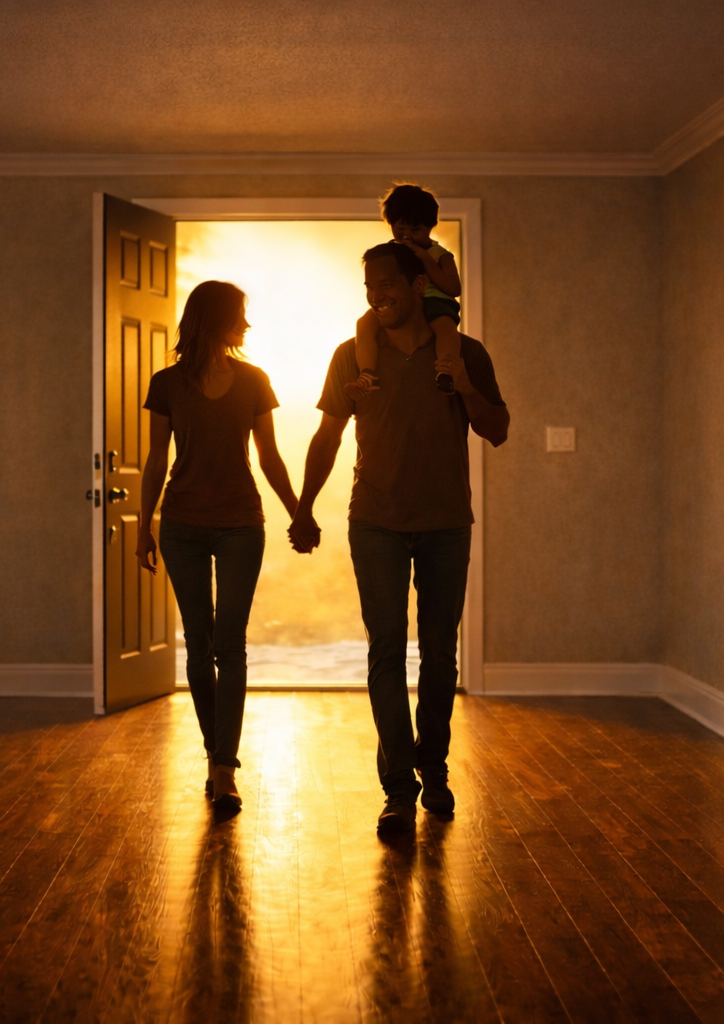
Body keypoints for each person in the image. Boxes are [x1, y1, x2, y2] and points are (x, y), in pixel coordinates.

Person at [290, 242, 509, 834]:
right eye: (368, 288)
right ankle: (398, 790)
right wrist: (304, 507)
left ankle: (434, 771)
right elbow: (328, 437)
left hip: (445, 524)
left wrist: (463, 384)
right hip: (376, 522)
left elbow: (497, 430)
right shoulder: (351, 358)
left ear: (419, 286)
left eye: (386, 284)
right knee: (386, 651)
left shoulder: (463, 352)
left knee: (439, 654)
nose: (376, 296)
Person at [138, 281, 299, 813]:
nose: (247, 326)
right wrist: (144, 526)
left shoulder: (254, 381)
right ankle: (217, 755)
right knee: (199, 642)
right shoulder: (166, 385)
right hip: (182, 525)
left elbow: (270, 457)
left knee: (229, 647)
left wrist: (299, 510)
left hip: (239, 525)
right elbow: (157, 460)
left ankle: (223, 769)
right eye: (240, 316)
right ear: (216, 319)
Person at [350, 183, 463, 397]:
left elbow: (453, 287)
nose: (406, 236)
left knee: (446, 329)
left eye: (415, 230)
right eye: (400, 229)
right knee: (364, 323)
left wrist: (425, 259)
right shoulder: (393, 251)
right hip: (402, 305)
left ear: (430, 226)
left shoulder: (440, 254)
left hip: (437, 302)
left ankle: (446, 372)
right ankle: (366, 373)